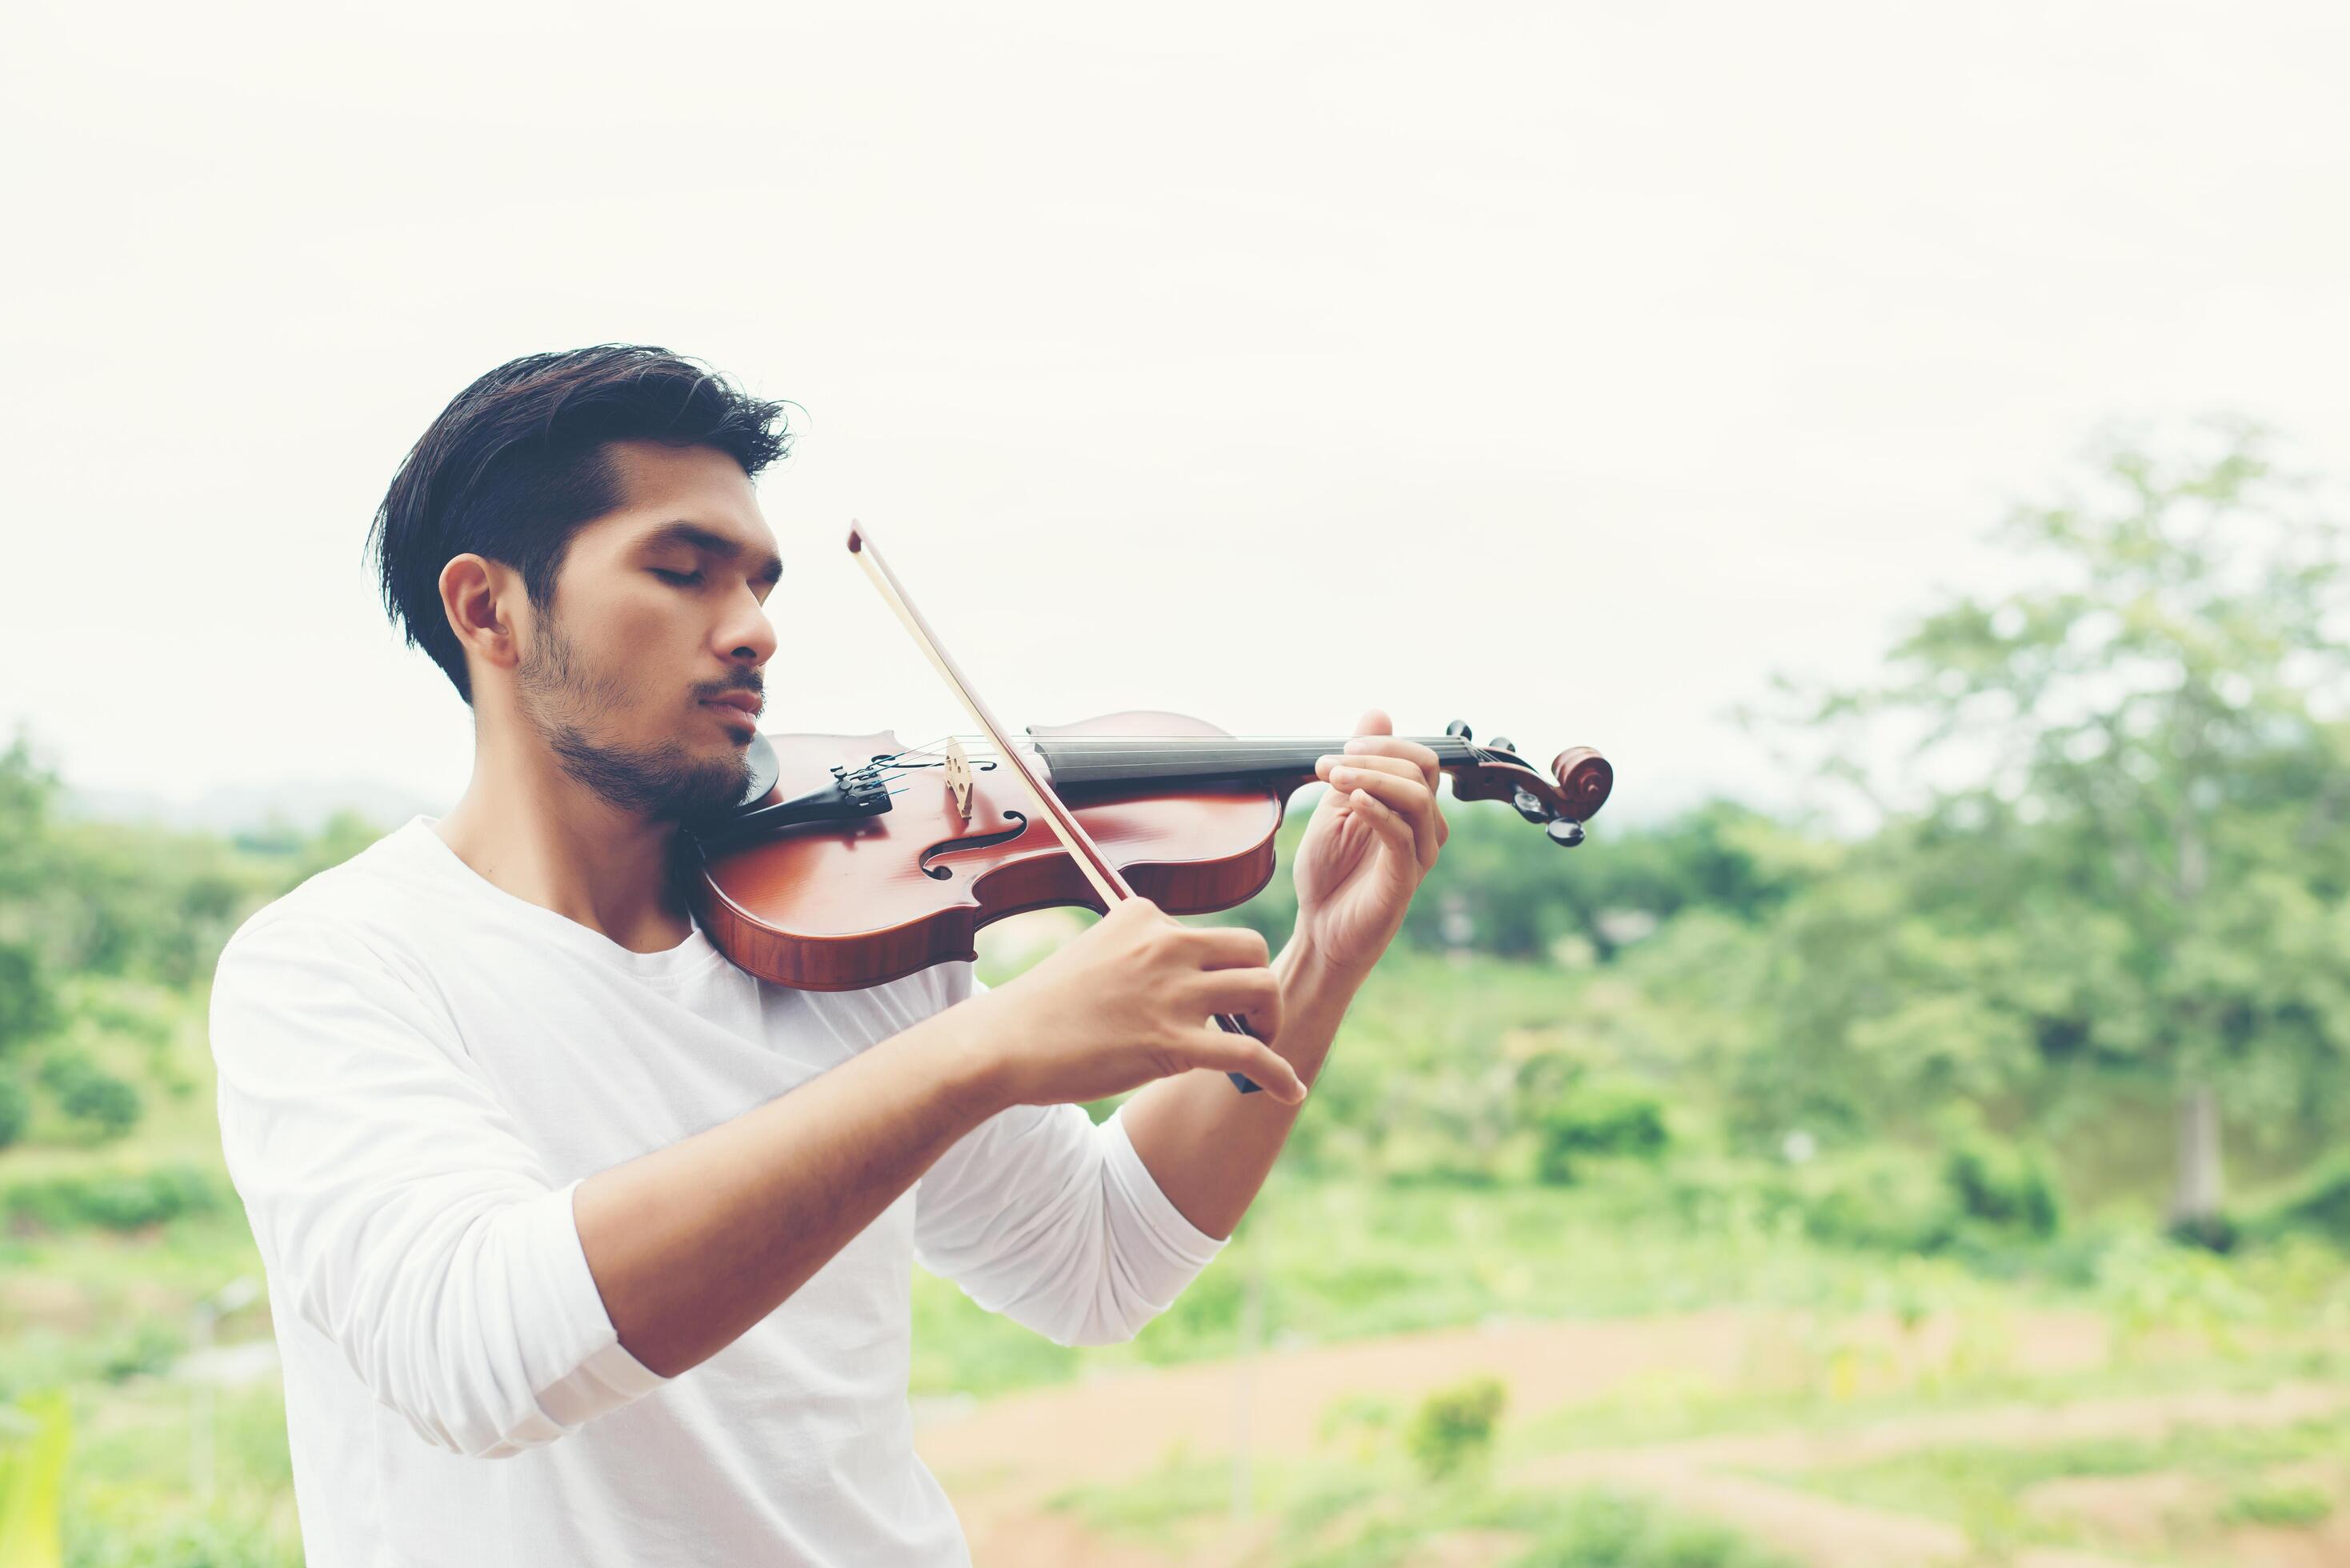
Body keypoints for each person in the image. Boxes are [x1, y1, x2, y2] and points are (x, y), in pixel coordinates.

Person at [207, 343, 1448, 1566]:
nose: (751, 631)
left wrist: (1319, 962)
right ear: (489, 609)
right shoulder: (334, 966)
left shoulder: (841, 933)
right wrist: (981, 1050)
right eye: (683, 572)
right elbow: (477, 1354)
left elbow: (1101, 1260)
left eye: (758, 586)